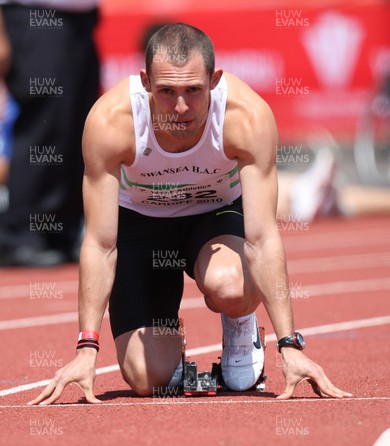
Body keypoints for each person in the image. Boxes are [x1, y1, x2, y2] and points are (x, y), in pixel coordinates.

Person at [29, 23, 352, 405]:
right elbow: (100, 244)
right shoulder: (110, 123)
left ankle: (240, 322)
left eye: (193, 91)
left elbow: (262, 237)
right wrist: (86, 348)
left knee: (228, 284)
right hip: (140, 225)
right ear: (145, 82)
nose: (181, 108)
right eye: (166, 91)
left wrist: (290, 344)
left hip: (214, 216)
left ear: (214, 81)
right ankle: (169, 338)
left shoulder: (246, 118)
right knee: (147, 379)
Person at [0, 0, 100, 266]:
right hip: (34, 16)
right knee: (46, 124)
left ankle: (60, 234)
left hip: (82, 18)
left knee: (78, 126)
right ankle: (21, 235)